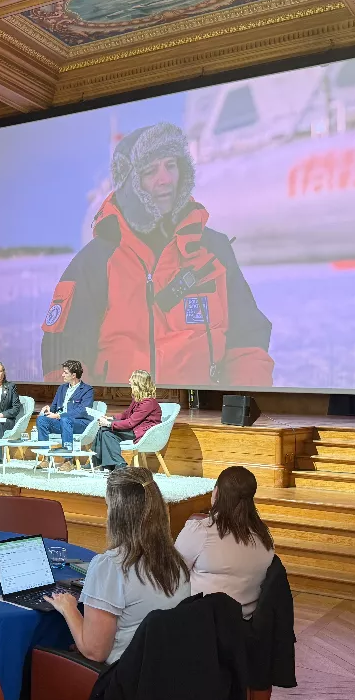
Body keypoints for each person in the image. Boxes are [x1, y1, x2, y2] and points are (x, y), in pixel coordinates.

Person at [39, 122, 273, 388]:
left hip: (200, 412)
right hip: (122, 413)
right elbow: (64, 361)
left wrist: (238, 404)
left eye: (171, 165)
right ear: (129, 184)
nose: (166, 179)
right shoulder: (94, 263)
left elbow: (247, 342)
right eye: (151, 171)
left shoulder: (214, 251)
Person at [46, 466, 192, 664]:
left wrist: (68, 607)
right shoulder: (177, 562)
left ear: (117, 516)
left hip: (123, 676)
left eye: (108, 507)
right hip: (167, 670)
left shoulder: (111, 567)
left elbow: (95, 653)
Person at [174, 465, 275, 619]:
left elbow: (173, 576)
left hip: (201, 623)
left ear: (216, 492)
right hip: (245, 624)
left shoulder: (201, 531)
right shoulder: (264, 536)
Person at [92, 370, 163, 472]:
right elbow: (126, 414)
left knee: (107, 432)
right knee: (104, 430)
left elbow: (130, 423)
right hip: (134, 428)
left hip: (142, 432)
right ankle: (99, 463)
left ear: (138, 383)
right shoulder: (138, 399)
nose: (129, 381)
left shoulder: (148, 402)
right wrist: (111, 418)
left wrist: (109, 424)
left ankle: (119, 464)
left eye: (132, 379)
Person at [36, 359, 95, 469]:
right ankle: (46, 458)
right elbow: (54, 407)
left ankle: (68, 460)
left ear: (73, 375)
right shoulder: (62, 388)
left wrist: (60, 415)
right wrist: (48, 409)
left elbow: (82, 410)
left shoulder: (87, 390)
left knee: (65, 420)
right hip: (62, 422)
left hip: (79, 424)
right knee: (41, 420)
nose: (62, 375)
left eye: (65, 372)